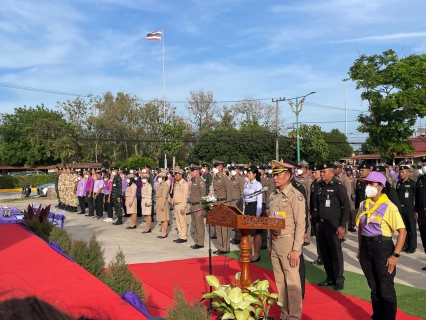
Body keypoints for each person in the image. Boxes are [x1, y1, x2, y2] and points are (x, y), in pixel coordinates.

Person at [356, 171, 406, 320]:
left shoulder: (389, 206)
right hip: (366, 247)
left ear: (381, 187)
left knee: (386, 289)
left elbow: (402, 232)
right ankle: (378, 316)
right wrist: (360, 249)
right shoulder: (363, 204)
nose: (368, 187)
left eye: (371, 184)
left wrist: (395, 255)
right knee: (374, 287)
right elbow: (361, 228)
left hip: (382, 247)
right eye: (366, 184)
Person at [268, 159, 305, 320]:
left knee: (292, 283)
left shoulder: (295, 196)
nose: (275, 178)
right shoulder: (273, 195)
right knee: (280, 282)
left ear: (289, 176)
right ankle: (284, 313)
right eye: (274, 175)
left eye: (279, 175)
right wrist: (270, 242)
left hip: (288, 242)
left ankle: (295, 316)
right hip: (275, 241)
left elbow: (300, 224)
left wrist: (296, 249)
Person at [316, 162, 351, 291]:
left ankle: (339, 279)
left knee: (336, 252)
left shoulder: (338, 187)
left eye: (324, 172)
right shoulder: (319, 186)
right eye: (321, 172)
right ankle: (330, 276)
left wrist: (342, 226)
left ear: (331, 173)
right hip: (322, 223)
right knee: (324, 252)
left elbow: (346, 207)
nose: (321, 174)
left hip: (334, 224)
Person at [243, 165, 263, 262]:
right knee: (250, 233)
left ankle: (257, 254)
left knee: (256, 232)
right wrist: (243, 210)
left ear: (255, 174)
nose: (248, 174)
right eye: (247, 172)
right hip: (247, 207)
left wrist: (258, 213)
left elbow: (259, 199)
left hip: (254, 207)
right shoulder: (246, 184)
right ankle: (252, 253)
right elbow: (244, 198)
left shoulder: (257, 184)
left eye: (250, 173)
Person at [212, 159, 232, 255]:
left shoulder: (224, 178)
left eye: (216, 166)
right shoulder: (215, 178)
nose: (214, 168)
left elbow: (228, 191)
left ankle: (226, 247)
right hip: (217, 203)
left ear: (220, 167)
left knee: (224, 227)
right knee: (218, 226)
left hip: (224, 202)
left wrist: (228, 205)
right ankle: (221, 247)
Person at [396, 165, 417, 253]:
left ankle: (412, 246)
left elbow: (417, 197)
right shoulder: (399, 183)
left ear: (408, 173)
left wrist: (416, 210)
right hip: (400, 207)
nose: (401, 174)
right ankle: (405, 245)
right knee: (403, 227)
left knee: (411, 227)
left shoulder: (412, 183)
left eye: (403, 172)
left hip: (409, 207)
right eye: (400, 172)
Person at [189, 165, 207, 249]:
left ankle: (200, 242)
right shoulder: (194, 180)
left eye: (193, 171)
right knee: (195, 224)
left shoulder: (201, 181)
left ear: (197, 172)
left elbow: (203, 195)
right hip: (193, 205)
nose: (191, 173)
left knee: (199, 225)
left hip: (198, 206)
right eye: (191, 171)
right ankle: (197, 241)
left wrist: (201, 207)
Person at [295, 161, 312, 246]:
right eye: (298, 168)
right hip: (297, 201)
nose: (299, 170)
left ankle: (307, 238)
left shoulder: (308, 179)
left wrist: (308, 203)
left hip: (304, 202)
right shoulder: (296, 178)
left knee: (306, 220)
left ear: (305, 169)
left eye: (301, 168)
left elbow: (309, 193)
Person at [310, 164, 323, 265]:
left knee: (322, 237)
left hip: (321, 214)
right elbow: (311, 199)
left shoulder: (323, 184)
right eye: (313, 172)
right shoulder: (313, 184)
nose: (314, 174)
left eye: (316, 172)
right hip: (314, 213)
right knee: (317, 238)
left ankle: (324, 257)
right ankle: (320, 256)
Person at [172, 168, 189, 243]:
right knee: (178, 221)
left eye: (176, 175)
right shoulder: (177, 183)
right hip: (176, 205)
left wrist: (183, 207)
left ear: (181, 175)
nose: (175, 176)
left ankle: (183, 237)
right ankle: (180, 235)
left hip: (181, 205)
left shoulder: (184, 184)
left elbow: (185, 196)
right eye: (175, 175)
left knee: (182, 221)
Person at [229, 164, 245, 245]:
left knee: (238, 221)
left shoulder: (240, 180)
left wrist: (241, 205)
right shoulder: (230, 179)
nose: (233, 170)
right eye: (232, 169)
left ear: (238, 170)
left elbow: (242, 193)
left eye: (235, 169)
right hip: (231, 203)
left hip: (237, 203)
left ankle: (239, 237)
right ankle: (236, 236)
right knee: (234, 222)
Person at [415, 157, 426, 271]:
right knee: (424, 238)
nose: (424, 167)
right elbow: (417, 197)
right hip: (422, 212)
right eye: (423, 165)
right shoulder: (420, 180)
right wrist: (416, 210)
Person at [156, 170, 170, 238]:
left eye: (160, 177)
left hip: (163, 202)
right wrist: (158, 184)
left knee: (164, 218)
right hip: (158, 201)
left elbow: (164, 196)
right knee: (161, 218)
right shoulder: (160, 184)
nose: (159, 178)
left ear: (164, 178)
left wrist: (162, 205)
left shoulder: (165, 185)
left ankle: (165, 232)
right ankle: (162, 232)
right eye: (158, 177)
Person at [344, 165, 357, 232]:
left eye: (348, 170)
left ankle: (353, 225)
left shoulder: (354, 179)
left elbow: (355, 188)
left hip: (352, 197)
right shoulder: (345, 178)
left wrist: (355, 196)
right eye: (346, 170)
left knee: (352, 212)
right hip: (346, 196)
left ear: (351, 171)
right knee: (348, 211)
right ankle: (349, 225)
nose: (347, 172)